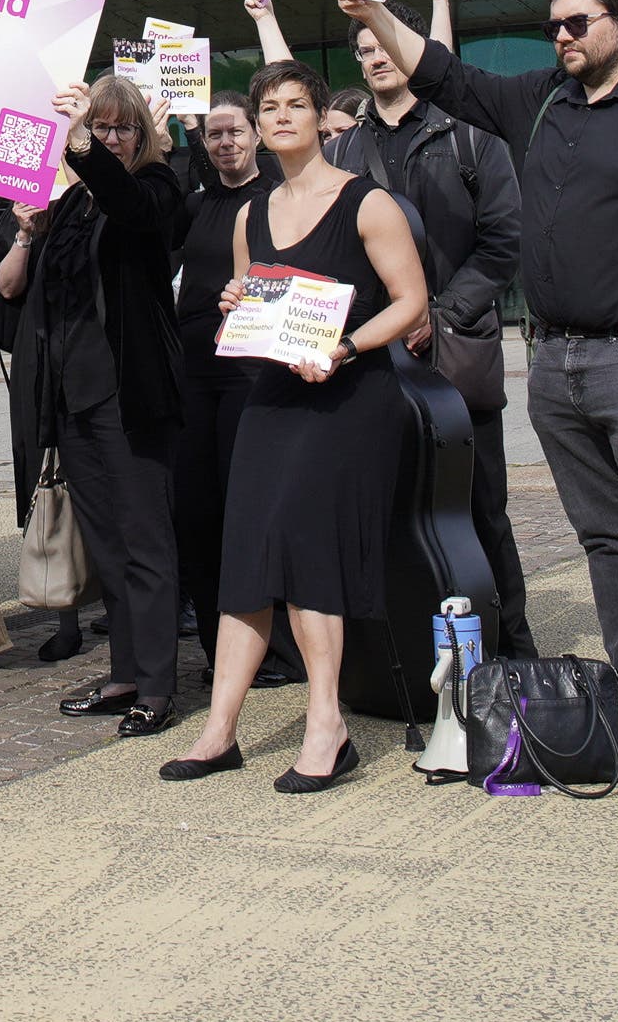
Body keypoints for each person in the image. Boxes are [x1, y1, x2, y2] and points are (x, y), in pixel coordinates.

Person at [342, 0, 618, 745]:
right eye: (555, 27)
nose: (562, 37)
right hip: (557, 360)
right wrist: (372, 6)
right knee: (605, 537)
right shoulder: (542, 102)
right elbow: (442, 72)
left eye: (578, 23)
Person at [162, 61, 431, 786]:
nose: (281, 117)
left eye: (295, 105)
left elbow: (410, 303)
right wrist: (236, 308)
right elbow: (255, 305)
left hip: (348, 399)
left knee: (311, 554)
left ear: (318, 117)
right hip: (275, 396)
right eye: (269, 107)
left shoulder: (368, 204)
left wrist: (344, 347)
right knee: (246, 553)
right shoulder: (254, 214)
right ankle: (220, 730)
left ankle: (326, 723)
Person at [259, 0, 533, 655]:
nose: (375, 57)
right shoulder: (345, 150)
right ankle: (401, 650)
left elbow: (505, 241)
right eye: (362, 51)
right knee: (380, 506)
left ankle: (509, 644)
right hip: (371, 358)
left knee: (478, 509)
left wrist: (441, 312)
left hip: (456, 353)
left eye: (383, 44)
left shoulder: (471, 133)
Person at [0, 75, 187, 738]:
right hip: (75, 397)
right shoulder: (72, 204)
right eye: (98, 127)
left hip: (130, 396)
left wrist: (81, 144)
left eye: (119, 128)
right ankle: (126, 673)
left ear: (141, 136)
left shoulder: (156, 188)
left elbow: (133, 206)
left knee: (146, 542)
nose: (108, 137)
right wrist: (31, 228)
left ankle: (159, 687)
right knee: (107, 546)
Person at [163, 80, 277, 681]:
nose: (226, 141)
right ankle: (217, 649)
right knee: (200, 512)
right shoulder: (196, 206)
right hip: (195, 375)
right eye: (215, 134)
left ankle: (272, 648)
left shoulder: (279, 199)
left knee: (249, 509)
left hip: (253, 375)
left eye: (236, 130)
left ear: (257, 134)